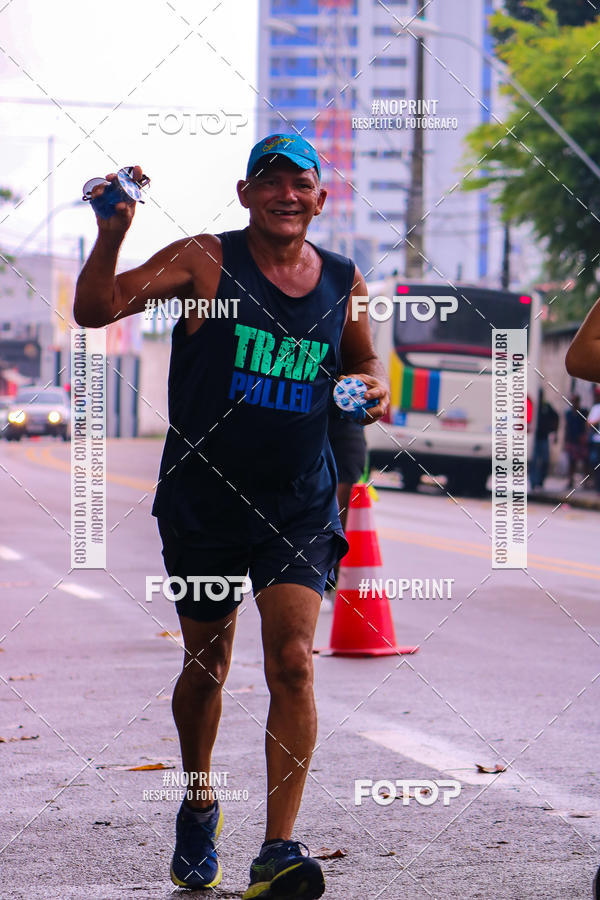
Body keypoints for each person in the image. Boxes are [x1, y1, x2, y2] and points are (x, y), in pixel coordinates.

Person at [73, 134, 389, 900]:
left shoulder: (344, 280)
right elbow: (95, 310)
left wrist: (372, 389)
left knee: (293, 661)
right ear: (246, 194)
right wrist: (113, 234)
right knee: (208, 663)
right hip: (205, 498)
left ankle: (279, 848)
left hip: (298, 500)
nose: (286, 194)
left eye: (301, 183)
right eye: (270, 181)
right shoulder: (205, 261)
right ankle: (200, 798)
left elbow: (363, 362)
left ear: (320, 198)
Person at [529, 392, 559, 490]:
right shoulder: (534, 405)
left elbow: (556, 417)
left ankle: (541, 481)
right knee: (534, 461)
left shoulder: (546, 406)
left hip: (544, 437)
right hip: (535, 438)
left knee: (545, 460)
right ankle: (533, 482)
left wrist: (554, 432)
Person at [563, 394, 588, 489]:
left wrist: (585, 436)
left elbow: (586, 424)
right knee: (571, 461)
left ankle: (586, 481)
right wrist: (566, 440)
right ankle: (570, 481)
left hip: (581, 440)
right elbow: (567, 427)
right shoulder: (569, 414)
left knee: (585, 461)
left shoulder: (583, 412)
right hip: (572, 439)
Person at [586, 386, 600, 492]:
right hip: (597, 440)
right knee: (595, 463)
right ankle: (596, 485)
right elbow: (589, 423)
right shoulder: (596, 408)